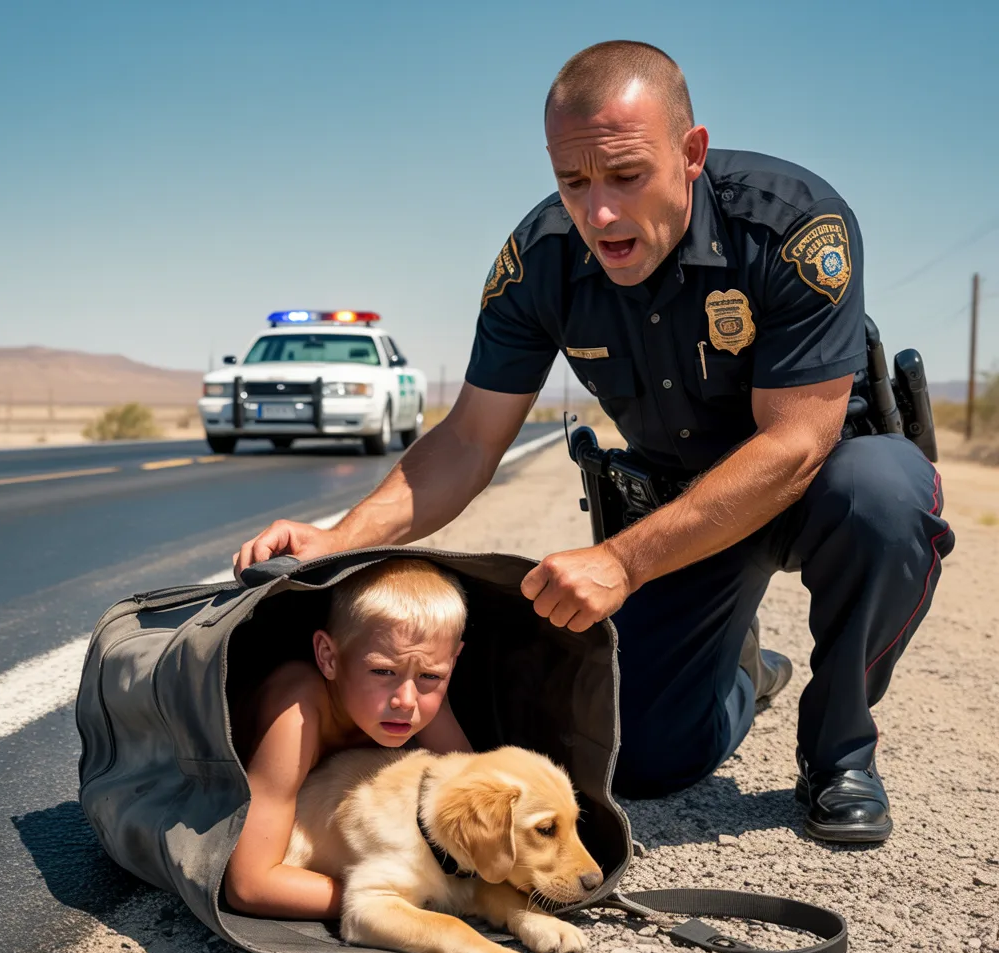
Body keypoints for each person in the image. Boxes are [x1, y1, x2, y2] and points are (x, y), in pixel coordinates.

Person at [234, 41, 953, 844]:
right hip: (682, 514)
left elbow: (796, 443)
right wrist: (339, 538)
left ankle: (839, 753)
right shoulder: (539, 261)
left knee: (886, 494)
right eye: (572, 182)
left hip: (819, 484)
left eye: (624, 175)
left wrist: (621, 562)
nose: (598, 212)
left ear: (691, 153)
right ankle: (744, 670)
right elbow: (470, 441)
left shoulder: (792, 225)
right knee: (640, 759)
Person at [224, 558, 471, 918]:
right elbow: (250, 884)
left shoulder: (416, 694)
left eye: (432, 676)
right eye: (382, 671)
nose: (406, 700)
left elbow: (474, 788)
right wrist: (394, 901)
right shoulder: (297, 715)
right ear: (328, 657)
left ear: (453, 661)